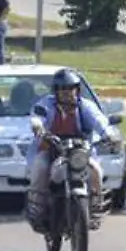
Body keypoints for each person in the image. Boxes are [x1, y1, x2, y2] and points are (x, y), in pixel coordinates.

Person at [26, 69, 108, 230]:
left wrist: (109, 135)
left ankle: (95, 210)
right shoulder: (46, 104)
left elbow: (99, 120)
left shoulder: (85, 106)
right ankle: (38, 210)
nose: (66, 93)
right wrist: (38, 127)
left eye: (71, 88)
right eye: (62, 89)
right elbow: (37, 117)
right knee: (40, 169)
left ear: (77, 90)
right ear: (55, 91)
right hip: (50, 149)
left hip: (79, 152)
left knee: (96, 171)